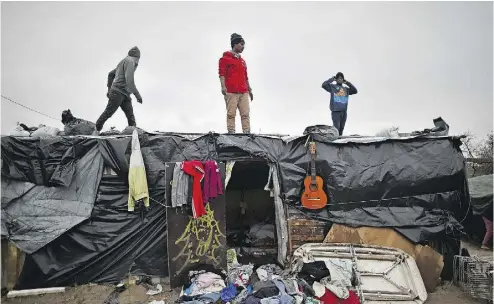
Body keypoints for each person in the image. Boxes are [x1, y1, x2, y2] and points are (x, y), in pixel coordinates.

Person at [96, 46, 143, 132]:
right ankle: (95, 130)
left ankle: (134, 136)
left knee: (131, 116)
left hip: (125, 94)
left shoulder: (123, 62)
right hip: (118, 92)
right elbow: (130, 81)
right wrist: (138, 96)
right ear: (137, 57)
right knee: (108, 112)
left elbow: (111, 74)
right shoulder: (130, 61)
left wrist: (109, 89)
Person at [218, 33, 253, 134]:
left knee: (245, 113)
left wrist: (249, 90)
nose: (243, 47)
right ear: (235, 44)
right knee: (231, 114)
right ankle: (231, 132)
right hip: (231, 91)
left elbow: (245, 76)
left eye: (243, 45)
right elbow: (222, 73)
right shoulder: (224, 59)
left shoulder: (242, 61)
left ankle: (247, 132)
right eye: (241, 44)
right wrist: (223, 86)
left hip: (243, 91)